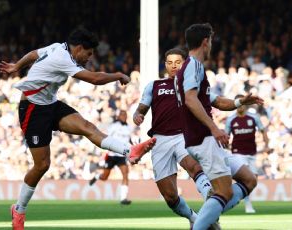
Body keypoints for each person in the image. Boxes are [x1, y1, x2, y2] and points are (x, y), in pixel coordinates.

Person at [0, 28, 156, 230]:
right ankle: (19, 209)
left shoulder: (56, 47)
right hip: (32, 110)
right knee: (42, 165)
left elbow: (35, 53)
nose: (89, 58)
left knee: (88, 127)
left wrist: (17, 66)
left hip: (51, 104)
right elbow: (95, 79)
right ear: (79, 48)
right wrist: (118, 75)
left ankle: (130, 151)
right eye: (88, 54)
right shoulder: (64, 58)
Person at [175, 23, 263, 229]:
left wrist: (241, 102)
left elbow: (216, 101)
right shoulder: (193, 66)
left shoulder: (192, 69)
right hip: (202, 138)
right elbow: (190, 99)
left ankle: (208, 213)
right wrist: (214, 128)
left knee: (249, 180)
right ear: (206, 41)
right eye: (211, 40)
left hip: (204, 139)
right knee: (224, 192)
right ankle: (202, 221)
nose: (212, 44)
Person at [133, 48, 212, 227]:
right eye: (170, 62)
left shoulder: (192, 86)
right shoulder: (154, 86)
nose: (173, 66)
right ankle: (194, 218)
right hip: (159, 141)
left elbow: (215, 100)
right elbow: (140, 109)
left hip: (183, 135)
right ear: (165, 65)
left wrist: (237, 103)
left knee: (192, 165)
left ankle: (211, 199)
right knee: (170, 196)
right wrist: (138, 116)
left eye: (178, 62)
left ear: (184, 64)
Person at [225, 94, 269, 213]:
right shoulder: (231, 119)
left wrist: (267, 145)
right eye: (238, 104)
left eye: (243, 104)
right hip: (238, 153)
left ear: (245, 104)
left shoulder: (253, 117)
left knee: (253, 179)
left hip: (251, 153)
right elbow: (226, 136)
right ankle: (248, 205)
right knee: (247, 179)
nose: (240, 107)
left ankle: (234, 197)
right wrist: (226, 146)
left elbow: (263, 131)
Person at [89, 110, 133, 205]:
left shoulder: (129, 127)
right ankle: (97, 176)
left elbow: (129, 140)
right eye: (122, 114)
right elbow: (107, 137)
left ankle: (123, 198)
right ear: (118, 116)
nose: (124, 116)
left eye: (125, 114)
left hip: (122, 155)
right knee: (105, 177)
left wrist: (133, 149)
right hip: (112, 155)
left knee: (125, 175)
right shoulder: (113, 126)